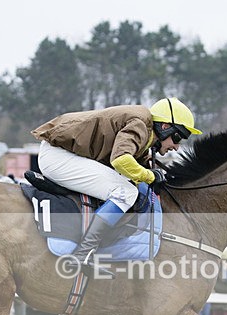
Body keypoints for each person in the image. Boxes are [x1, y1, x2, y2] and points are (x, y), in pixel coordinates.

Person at [31, 97, 201, 271]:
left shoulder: (146, 131)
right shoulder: (140, 124)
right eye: (178, 138)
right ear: (165, 127)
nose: (177, 147)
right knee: (125, 192)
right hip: (58, 156)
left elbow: (134, 161)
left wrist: (153, 174)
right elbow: (120, 160)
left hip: (63, 154)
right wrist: (149, 176)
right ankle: (84, 252)